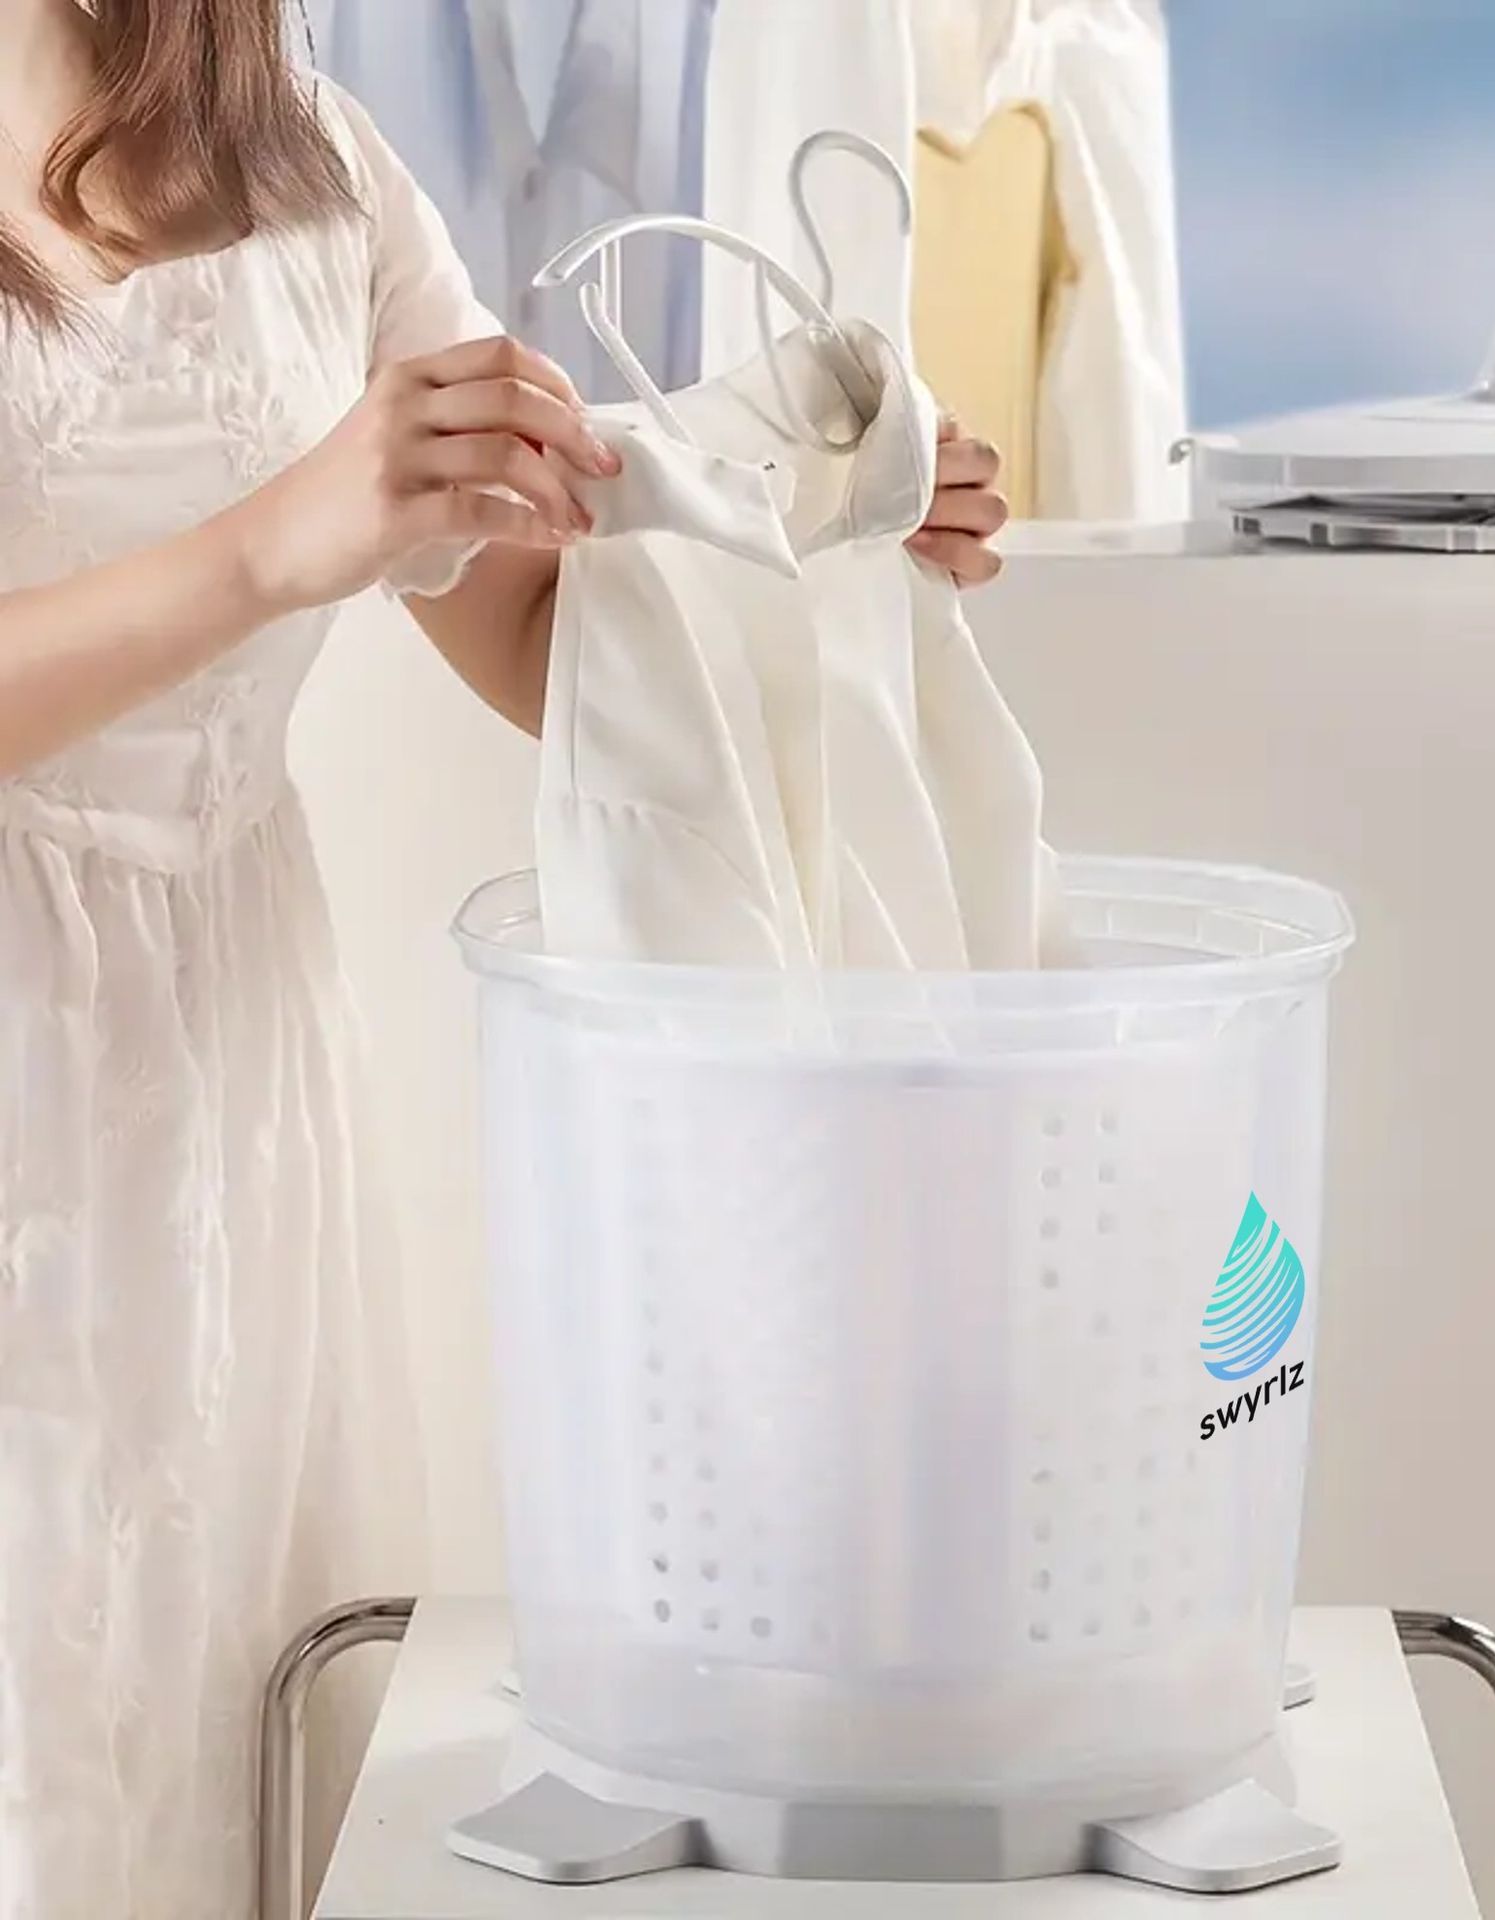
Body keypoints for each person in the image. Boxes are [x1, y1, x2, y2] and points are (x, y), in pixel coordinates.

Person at [0, 3, 1008, 1916]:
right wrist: (267, 546)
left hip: (226, 1091)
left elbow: (539, 629)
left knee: (240, 1745)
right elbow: (307, 536)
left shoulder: (301, 144)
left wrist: (812, 535)